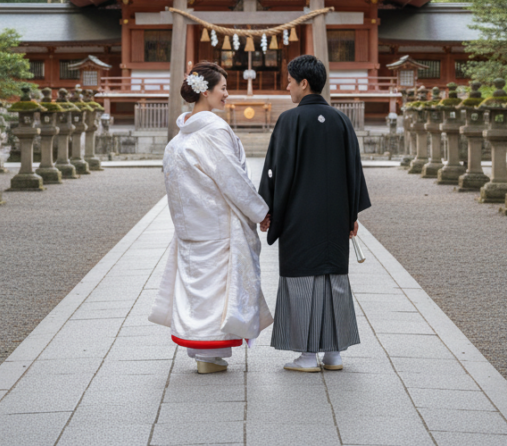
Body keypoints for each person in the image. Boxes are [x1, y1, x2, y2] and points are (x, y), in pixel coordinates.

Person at [149, 61, 272, 374]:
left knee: (197, 287)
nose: (227, 94)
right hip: (218, 224)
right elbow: (232, 179)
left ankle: (201, 351)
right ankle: (209, 354)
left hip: (192, 225)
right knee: (218, 289)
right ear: (206, 92)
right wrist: (260, 211)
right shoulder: (214, 130)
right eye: (223, 88)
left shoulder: (178, 139)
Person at [258, 54, 371, 372]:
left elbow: (275, 172)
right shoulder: (340, 120)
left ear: (303, 83)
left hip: (299, 216)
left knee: (302, 279)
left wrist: (267, 210)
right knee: (333, 278)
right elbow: (354, 172)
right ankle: (334, 353)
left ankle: (308, 356)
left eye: (290, 81)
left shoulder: (290, 120)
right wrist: (351, 215)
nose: (287, 86)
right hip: (335, 216)